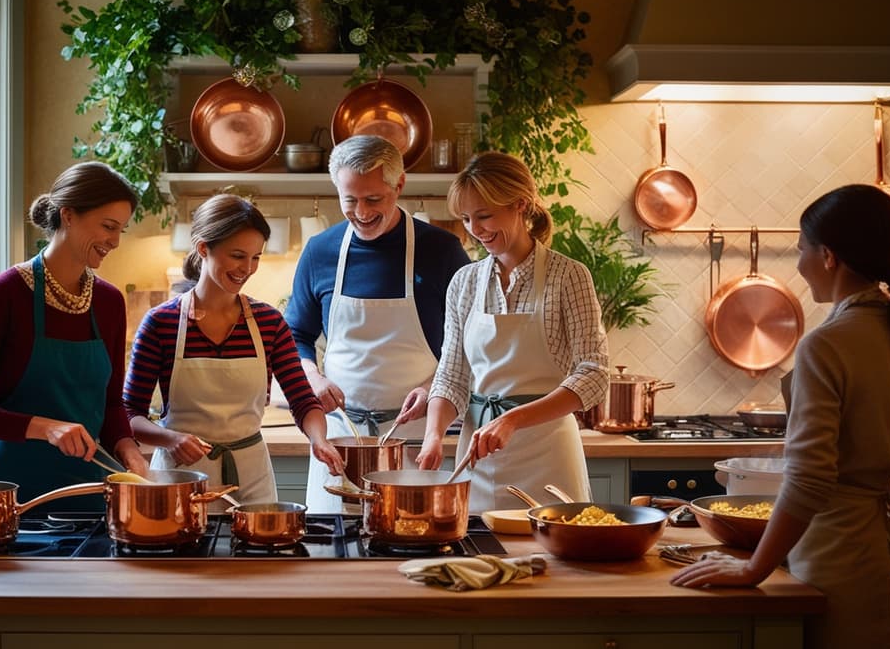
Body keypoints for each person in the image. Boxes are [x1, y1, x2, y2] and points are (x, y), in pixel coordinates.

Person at [671, 184, 890, 649]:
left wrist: (755, 566)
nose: (798, 265)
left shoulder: (829, 343)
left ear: (829, 257)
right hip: (882, 550)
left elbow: (811, 478)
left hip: (832, 557)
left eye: (801, 250)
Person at [0, 161, 148, 514]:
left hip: (91, 491)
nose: (114, 241)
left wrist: (128, 447)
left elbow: (111, 403)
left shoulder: (109, 302)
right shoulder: (3, 294)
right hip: (13, 494)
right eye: (108, 227)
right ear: (68, 215)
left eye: (121, 230)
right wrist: (45, 428)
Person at [415, 151, 608, 513]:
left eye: (485, 215)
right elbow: (452, 373)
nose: (476, 230)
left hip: (549, 456)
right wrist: (433, 436)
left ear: (521, 205)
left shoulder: (569, 276)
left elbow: (594, 375)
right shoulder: (464, 283)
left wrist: (512, 419)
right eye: (467, 219)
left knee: (551, 563)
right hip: (477, 456)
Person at [286, 134, 471, 512]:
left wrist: (432, 385)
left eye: (374, 199)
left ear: (399, 185)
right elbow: (295, 335)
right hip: (340, 437)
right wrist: (314, 379)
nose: (361, 212)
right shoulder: (320, 251)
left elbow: (472, 339)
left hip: (417, 437)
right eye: (349, 200)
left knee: (410, 540)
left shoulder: (441, 250)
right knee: (332, 549)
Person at [124, 194, 343, 507]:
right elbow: (130, 414)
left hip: (251, 475)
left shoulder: (269, 323)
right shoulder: (162, 323)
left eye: (256, 257)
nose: (248, 268)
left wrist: (318, 439)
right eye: (238, 256)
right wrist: (170, 438)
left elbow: (303, 400)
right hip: (180, 478)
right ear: (203, 248)